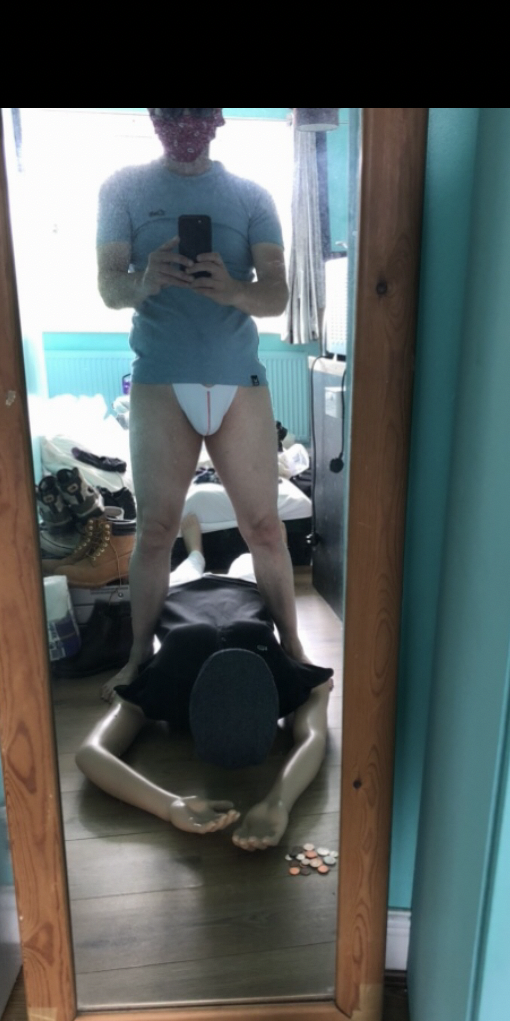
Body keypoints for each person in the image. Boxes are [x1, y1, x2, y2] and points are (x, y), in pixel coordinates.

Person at [96, 107, 309, 701]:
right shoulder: (121, 189)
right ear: (154, 117)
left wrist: (233, 288)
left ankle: (293, 646)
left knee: (265, 528)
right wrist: (145, 281)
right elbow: (109, 285)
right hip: (160, 382)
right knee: (155, 531)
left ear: (216, 119)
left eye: (196, 113)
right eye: (171, 113)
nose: (184, 124)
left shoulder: (252, 196)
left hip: (240, 381)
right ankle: (138, 657)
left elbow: (277, 295)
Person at [75, 517, 334, 852]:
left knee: (239, 563)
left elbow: (90, 753)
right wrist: (279, 801)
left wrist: (170, 805)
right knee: (211, 565)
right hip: (214, 591)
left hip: (206, 592)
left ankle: (211, 547)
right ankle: (200, 548)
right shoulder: (176, 678)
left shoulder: (168, 685)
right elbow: (314, 732)